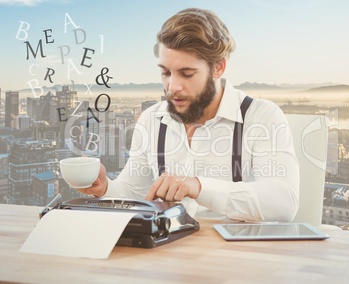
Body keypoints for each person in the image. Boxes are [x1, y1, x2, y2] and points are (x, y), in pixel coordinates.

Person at [76, 7, 299, 222]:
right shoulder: (151, 120)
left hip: (237, 254)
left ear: (218, 68)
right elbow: (135, 192)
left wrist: (198, 186)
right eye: (166, 73)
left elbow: (283, 202)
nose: (172, 86)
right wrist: (105, 187)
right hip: (170, 249)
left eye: (187, 74)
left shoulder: (262, 117)